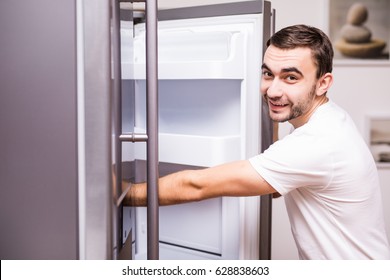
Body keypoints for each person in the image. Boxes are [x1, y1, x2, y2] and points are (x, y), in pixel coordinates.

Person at [123, 24, 390, 259]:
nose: (272, 90)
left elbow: (197, 185)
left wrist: (124, 192)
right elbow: (275, 188)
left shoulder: (318, 143)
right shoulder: (327, 118)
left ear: (323, 83)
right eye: (267, 74)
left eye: (290, 77)